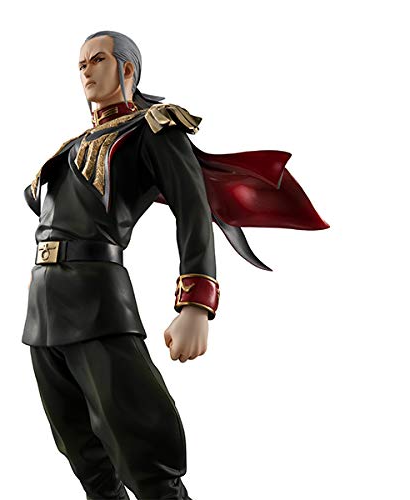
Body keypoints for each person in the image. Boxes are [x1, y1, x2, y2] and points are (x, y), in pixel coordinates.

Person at [22, 30, 328, 500]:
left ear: (127, 69)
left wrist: (196, 304)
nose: (85, 70)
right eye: (80, 64)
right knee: (83, 456)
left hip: (98, 300)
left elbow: (193, 211)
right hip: (42, 308)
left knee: (144, 449)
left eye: (97, 59)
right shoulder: (70, 146)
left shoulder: (152, 128)